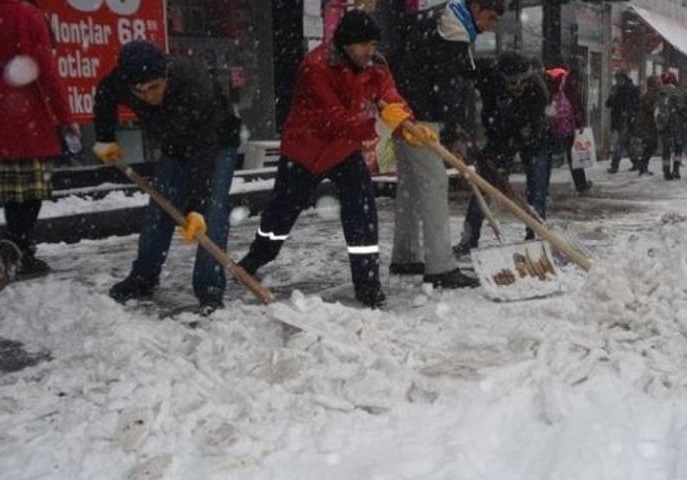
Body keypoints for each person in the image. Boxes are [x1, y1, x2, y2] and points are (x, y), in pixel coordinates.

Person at [236, 11, 433, 308]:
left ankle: (368, 286)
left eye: (373, 43)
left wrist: (409, 124)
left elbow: (390, 96)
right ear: (346, 44)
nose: (370, 50)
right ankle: (256, 258)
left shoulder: (376, 65)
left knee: (362, 214)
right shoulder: (316, 67)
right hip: (306, 151)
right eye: (363, 44)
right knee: (280, 215)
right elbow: (336, 119)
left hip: (343, 150)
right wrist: (381, 126)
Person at [92, 40, 242, 315]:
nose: (148, 97)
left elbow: (203, 154)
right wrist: (105, 138)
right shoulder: (123, 81)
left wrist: (196, 207)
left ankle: (209, 289)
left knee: (212, 214)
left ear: (166, 76)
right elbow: (104, 94)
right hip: (174, 145)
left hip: (215, 144)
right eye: (139, 91)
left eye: (154, 88)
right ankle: (143, 279)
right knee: (159, 210)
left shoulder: (194, 86)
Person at [387, 0, 504, 288]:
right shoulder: (453, 31)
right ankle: (440, 266)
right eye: (489, 18)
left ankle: (405, 254)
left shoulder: (439, 18)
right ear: (476, 8)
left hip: (401, 110)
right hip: (420, 116)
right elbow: (448, 85)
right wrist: (454, 134)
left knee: (411, 184)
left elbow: (410, 60)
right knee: (434, 181)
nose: (489, 26)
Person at [0, 0, 79, 278]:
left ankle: (21, 252)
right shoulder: (24, 14)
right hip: (20, 116)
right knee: (28, 192)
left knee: (11, 190)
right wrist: (65, 117)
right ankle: (12, 248)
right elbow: (46, 71)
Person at [453, 51, 551, 254]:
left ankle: (535, 237)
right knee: (483, 186)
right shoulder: (488, 74)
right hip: (499, 135)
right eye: (512, 82)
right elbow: (457, 69)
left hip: (533, 137)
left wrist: (512, 149)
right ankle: (468, 241)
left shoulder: (538, 91)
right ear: (501, 77)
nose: (518, 87)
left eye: (522, 81)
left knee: (537, 188)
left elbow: (531, 129)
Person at [605, 72, 640, 173]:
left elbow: (636, 105)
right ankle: (636, 162)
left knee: (618, 143)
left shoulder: (631, 89)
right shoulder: (616, 89)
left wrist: (631, 114)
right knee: (627, 143)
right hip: (617, 120)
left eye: (619, 79)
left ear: (624, 78)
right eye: (616, 79)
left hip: (627, 120)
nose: (618, 81)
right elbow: (608, 104)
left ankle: (614, 165)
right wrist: (612, 96)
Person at [657, 71, 685, 180]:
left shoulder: (659, 92)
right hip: (676, 123)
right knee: (678, 147)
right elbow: (681, 107)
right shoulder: (677, 92)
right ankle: (676, 170)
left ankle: (666, 170)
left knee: (666, 148)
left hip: (663, 124)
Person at [634, 75, 662, 176]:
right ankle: (642, 167)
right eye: (658, 83)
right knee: (650, 146)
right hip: (649, 125)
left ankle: (643, 166)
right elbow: (648, 108)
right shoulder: (650, 94)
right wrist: (656, 106)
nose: (660, 84)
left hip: (650, 124)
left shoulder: (654, 93)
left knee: (651, 146)